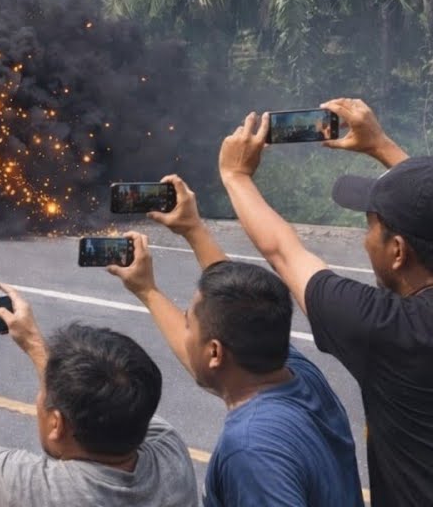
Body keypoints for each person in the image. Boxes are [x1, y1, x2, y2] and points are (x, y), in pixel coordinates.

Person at [218, 98, 433, 506]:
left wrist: (235, 174)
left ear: (398, 251)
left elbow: (284, 252)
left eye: (370, 229)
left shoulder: (391, 331)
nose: (365, 240)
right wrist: (381, 145)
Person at [107, 174, 363, 506]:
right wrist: (190, 234)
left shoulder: (251, 449)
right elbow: (237, 300)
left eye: (190, 324)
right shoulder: (301, 378)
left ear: (215, 352)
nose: (186, 334)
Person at [0, 285, 198, 507]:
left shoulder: (37, 490)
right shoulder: (169, 449)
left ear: (57, 424)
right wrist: (33, 342)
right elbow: (104, 396)